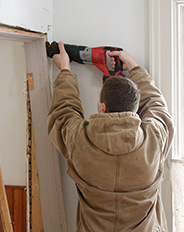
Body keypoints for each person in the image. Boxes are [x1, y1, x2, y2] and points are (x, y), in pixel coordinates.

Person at [47, 42, 174, 232]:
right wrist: (134, 67)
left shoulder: (79, 141)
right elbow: (156, 105)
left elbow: (64, 112)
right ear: (135, 107)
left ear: (102, 107)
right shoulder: (155, 139)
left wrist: (65, 69)